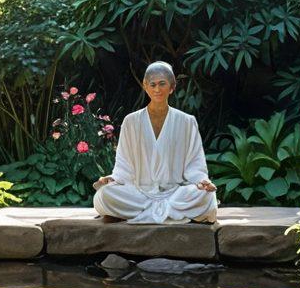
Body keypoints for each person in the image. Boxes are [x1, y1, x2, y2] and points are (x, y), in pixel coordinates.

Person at [93, 61, 218, 224]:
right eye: (152, 84)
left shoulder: (187, 121)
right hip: (139, 194)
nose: (157, 89)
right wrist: (112, 179)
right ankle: (168, 212)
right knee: (104, 195)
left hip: (175, 193)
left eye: (162, 84)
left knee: (206, 196)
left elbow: (194, 163)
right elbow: (124, 165)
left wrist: (201, 181)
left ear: (172, 87)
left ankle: (144, 211)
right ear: (145, 86)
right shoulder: (131, 121)